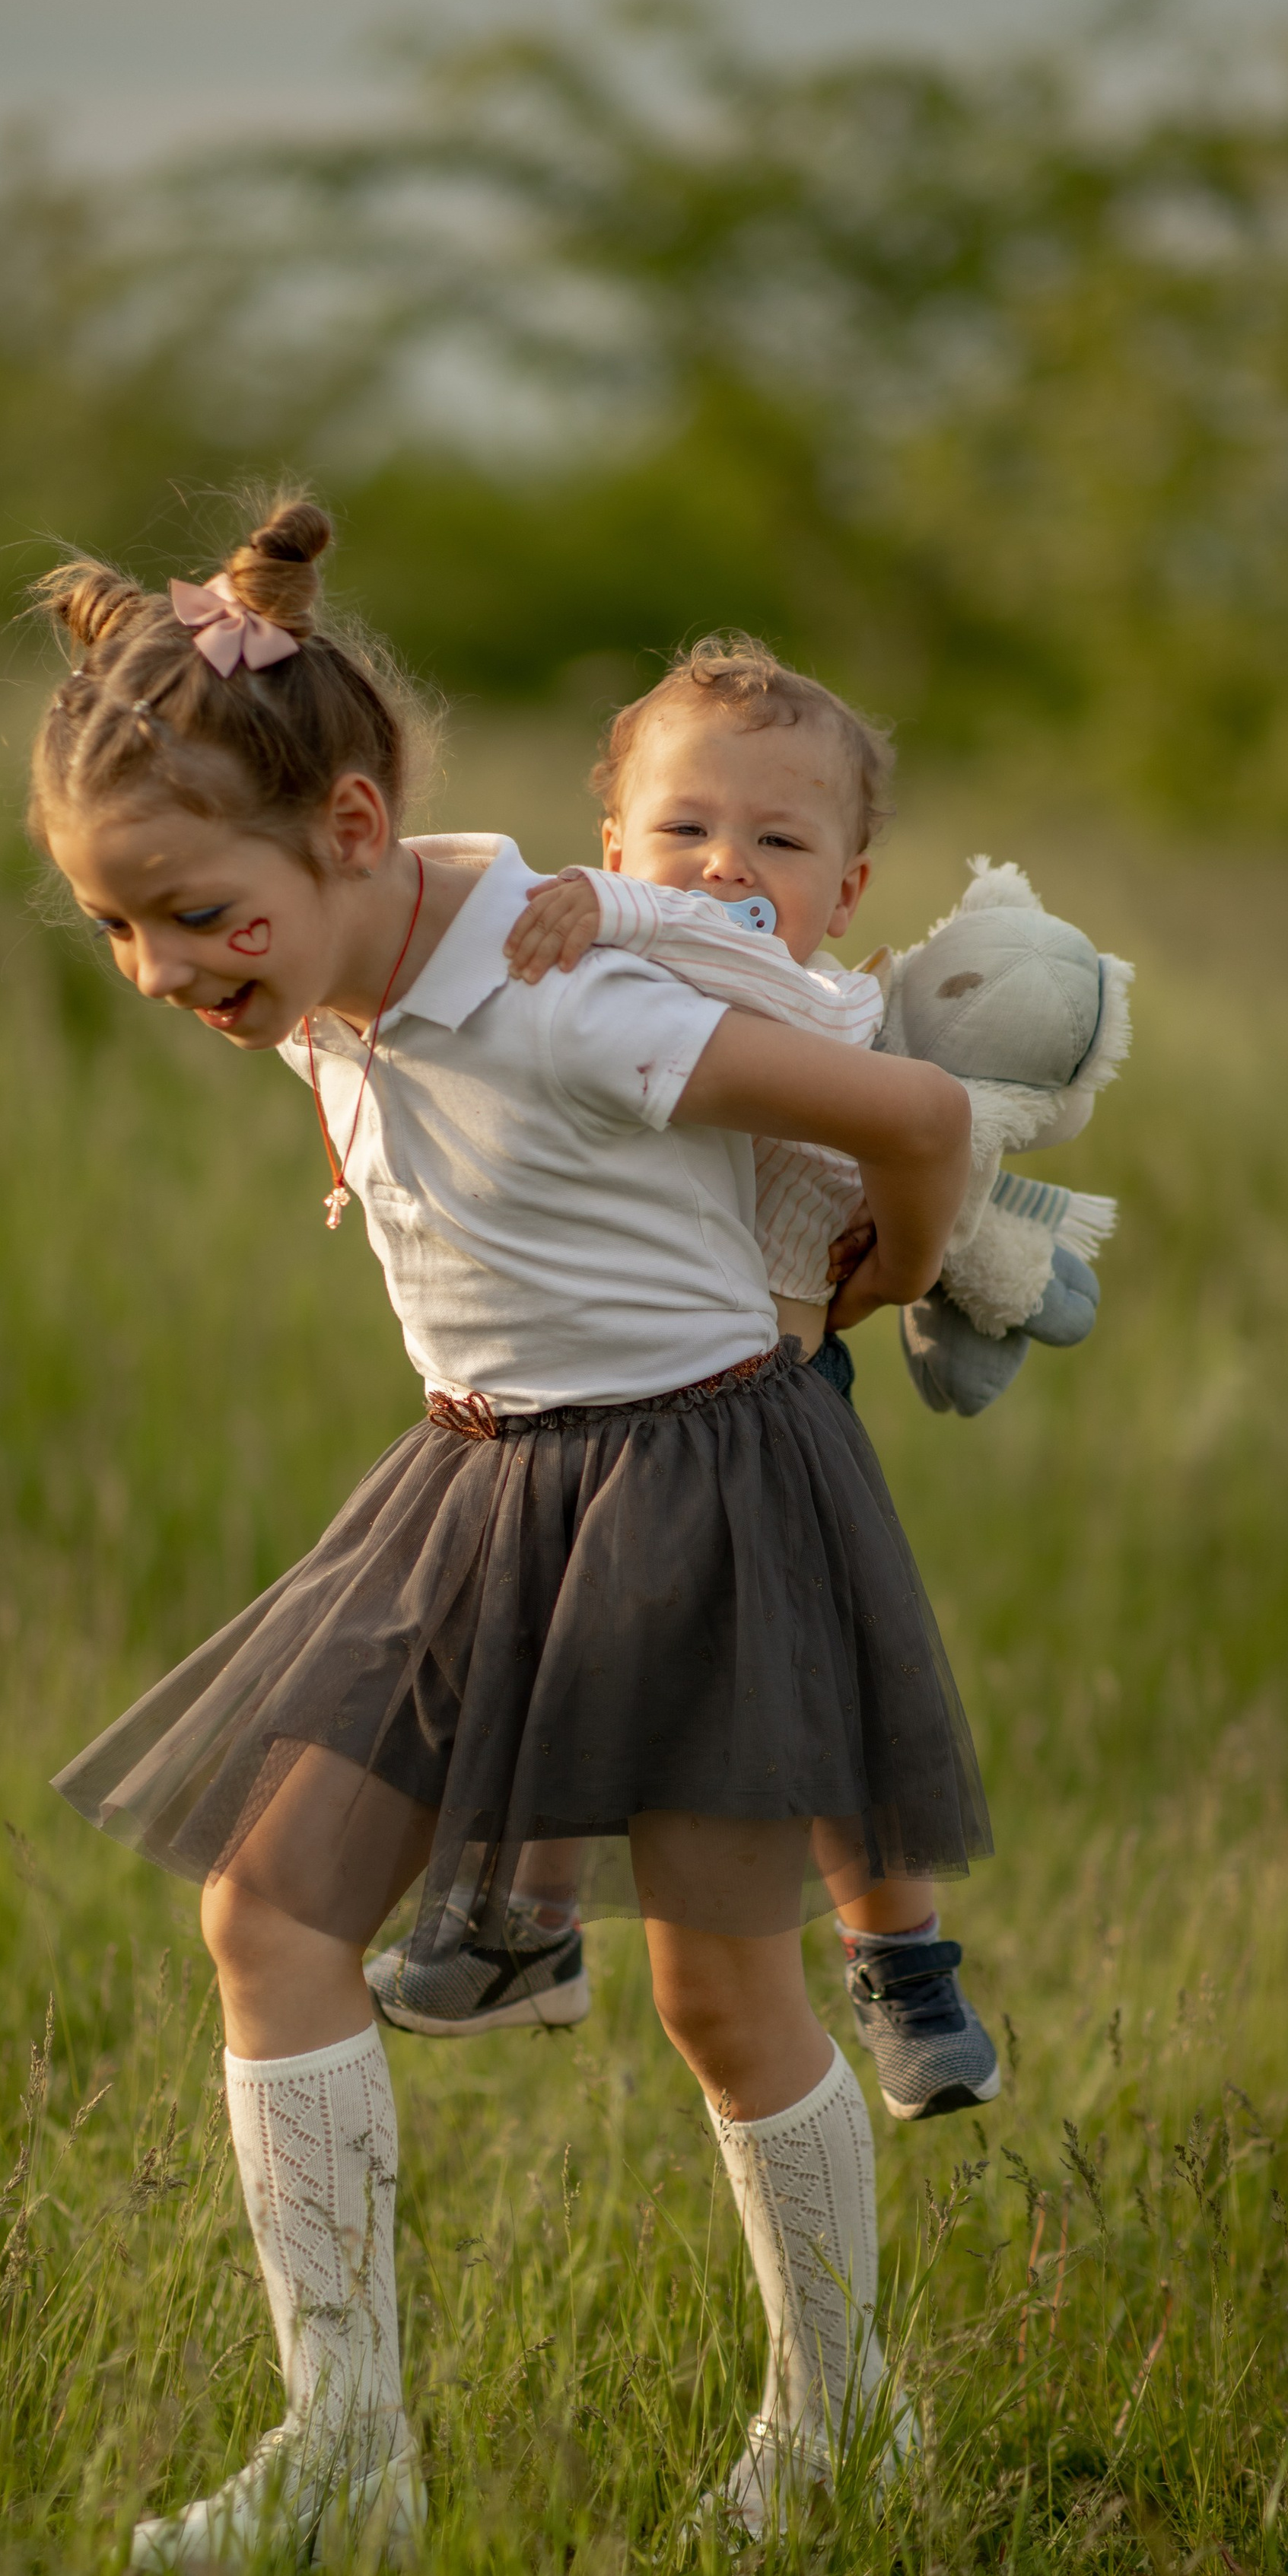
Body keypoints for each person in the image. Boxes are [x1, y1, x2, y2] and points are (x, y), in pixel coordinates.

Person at [31, 498, 988, 2566]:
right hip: (476, 1484)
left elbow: (917, 1121)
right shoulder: (362, 970)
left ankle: (845, 2432)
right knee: (271, 1914)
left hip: (701, 1487)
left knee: (724, 1999)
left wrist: (875, 1290)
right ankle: (345, 2459)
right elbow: (407, 1001)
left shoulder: (573, 994)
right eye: (119, 931)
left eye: (195, 915)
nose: (161, 971)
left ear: (349, 829)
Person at [366, 639, 1030, 2128]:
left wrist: (901, 1276)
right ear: (616, 837)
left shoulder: (779, 983)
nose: (724, 867)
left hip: (766, 1401)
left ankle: (901, 1960)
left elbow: (881, 1102)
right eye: (682, 831)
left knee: (826, 1713)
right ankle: (526, 1921)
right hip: (619, 1409)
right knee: (563, 1657)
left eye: (778, 842)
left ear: (843, 892)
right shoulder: (589, 985)